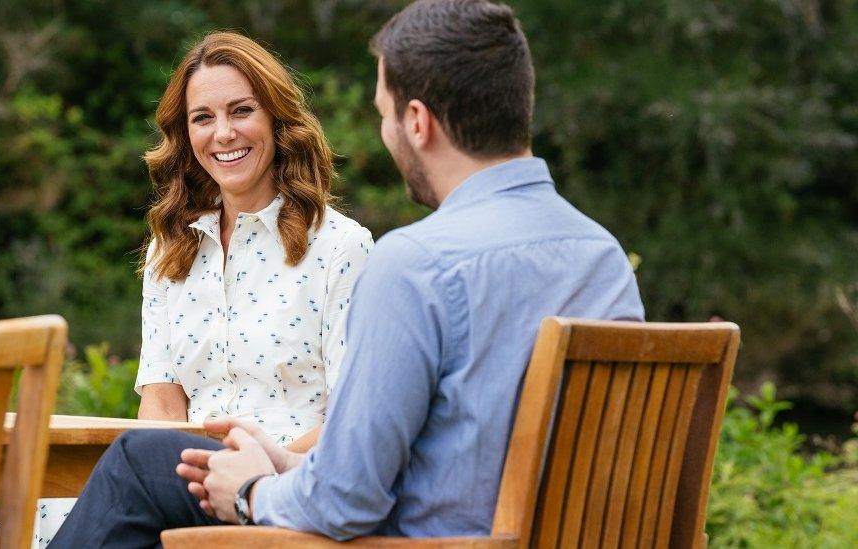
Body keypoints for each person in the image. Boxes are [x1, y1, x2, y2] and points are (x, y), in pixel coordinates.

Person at [49, 0, 644, 545]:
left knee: (133, 465)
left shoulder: (415, 265)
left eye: (383, 114)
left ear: (417, 122)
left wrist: (252, 490)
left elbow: (346, 499)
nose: (385, 133)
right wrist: (275, 464)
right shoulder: (604, 260)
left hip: (419, 541)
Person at [0, 31, 372, 548]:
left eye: (241, 111)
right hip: (182, 482)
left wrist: (248, 471)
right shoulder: (170, 251)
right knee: (19, 522)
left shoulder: (341, 247)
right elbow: (163, 409)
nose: (223, 134)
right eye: (203, 118)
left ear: (278, 120)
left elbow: (354, 416)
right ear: (185, 133)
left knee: (131, 462)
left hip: (279, 485)